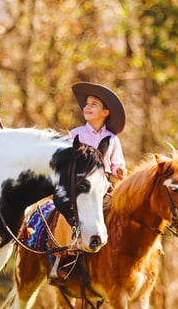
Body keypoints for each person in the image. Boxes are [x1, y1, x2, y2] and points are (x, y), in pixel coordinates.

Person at [49, 81, 126, 281]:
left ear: (105, 112)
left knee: (122, 215)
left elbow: (117, 166)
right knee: (68, 213)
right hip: (80, 188)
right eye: (86, 104)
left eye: (94, 104)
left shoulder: (112, 139)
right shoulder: (75, 135)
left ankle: (118, 257)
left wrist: (119, 170)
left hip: (103, 189)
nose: (87, 107)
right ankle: (63, 256)